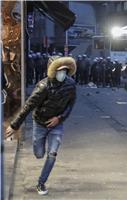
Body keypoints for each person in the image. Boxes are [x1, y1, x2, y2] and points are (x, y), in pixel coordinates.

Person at [5, 56, 77, 195]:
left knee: (52, 154)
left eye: (65, 70)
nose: (63, 73)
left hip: (57, 125)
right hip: (40, 124)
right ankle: (40, 149)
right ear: (53, 70)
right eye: (60, 70)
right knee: (39, 154)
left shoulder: (71, 85)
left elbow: (70, 105)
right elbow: (28, 106)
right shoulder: (43, 86)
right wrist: (15, 126)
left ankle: (41, 183)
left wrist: (60, 118)